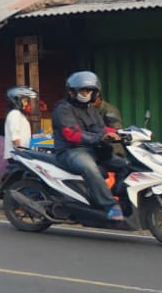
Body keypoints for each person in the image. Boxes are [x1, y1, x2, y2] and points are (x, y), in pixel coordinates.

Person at [51, 71, 125, 221]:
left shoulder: (91, 110)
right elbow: (71, 134)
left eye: (88, 90)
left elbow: (100, 128)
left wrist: (121, 133)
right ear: (72, 91)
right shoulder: (63, 108)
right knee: (89, 167)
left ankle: (122, 198)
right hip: (71, 151)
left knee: (126, 165)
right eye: (82, 90)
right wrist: (100, 137)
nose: (85, 93)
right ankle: (110, 206)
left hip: (92, 149)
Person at [0, 86, 37, 179]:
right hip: (16, 155)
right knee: (20, 180)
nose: (27, 104)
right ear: (16, 100)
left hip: (20, 154)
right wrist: (21, 151)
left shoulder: (19, 114)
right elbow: (15, 136)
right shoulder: (14, 114)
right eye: (25, 101)